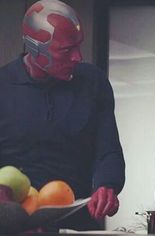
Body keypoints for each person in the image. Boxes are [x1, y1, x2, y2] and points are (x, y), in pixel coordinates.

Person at [0, 0, 125, 231]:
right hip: (13, 224)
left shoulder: (93, 82)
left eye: (79, 46)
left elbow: (107, 149)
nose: (78, 57)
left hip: (77, 221)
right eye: (67, 50)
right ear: (34, 47)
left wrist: (108, 185)